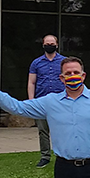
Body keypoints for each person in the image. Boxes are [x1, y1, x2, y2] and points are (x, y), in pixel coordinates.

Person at [28, 34, 66, 168]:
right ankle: (45, 156)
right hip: (41, 102)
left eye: (52, 43)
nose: (49, 45)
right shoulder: (36, 63)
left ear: (56, 45)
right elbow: (31, 82)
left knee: (63, 129)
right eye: (47, 43)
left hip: (61, 102)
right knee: (43, 131)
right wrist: (31, 101)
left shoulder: (64, 62)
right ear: (43, 44)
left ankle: (64, 155)